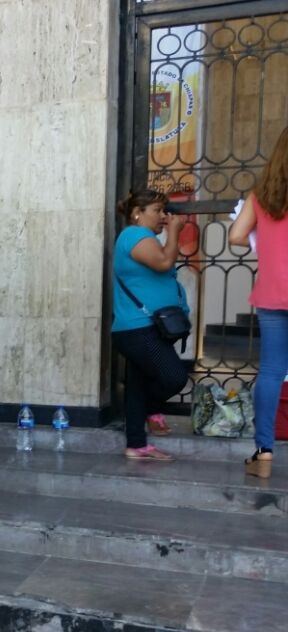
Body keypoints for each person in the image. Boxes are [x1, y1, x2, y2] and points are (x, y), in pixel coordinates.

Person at [106, 189, 189, 461]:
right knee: (174, 377)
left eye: (165, 211)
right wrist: (174, 232)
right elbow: (164, 262)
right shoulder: (134, 235)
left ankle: (136, 445)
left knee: (138, 384)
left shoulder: (145, 238)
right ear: (137, 213)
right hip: (138, 328)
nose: (164, 216)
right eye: (157, 210)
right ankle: (151, 410)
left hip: (145, 327)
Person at [231, 126, 288, 478]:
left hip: (273, 292)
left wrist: (264, 239)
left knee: (271, 371)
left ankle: (264, 452)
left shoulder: (262, 196)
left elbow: (236, 236)